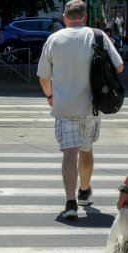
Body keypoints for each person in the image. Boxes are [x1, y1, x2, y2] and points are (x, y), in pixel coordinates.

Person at [37, 0, 124, 220]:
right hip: (92, 105)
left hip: (64, 106)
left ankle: (70, 203)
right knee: (86, 150)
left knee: (69, 153)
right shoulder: (98, 36)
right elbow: (120, 65)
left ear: (65, 18)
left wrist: (50, 96)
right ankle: (84, 192)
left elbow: (43, 76)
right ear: (84, 17)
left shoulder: (54, 39)